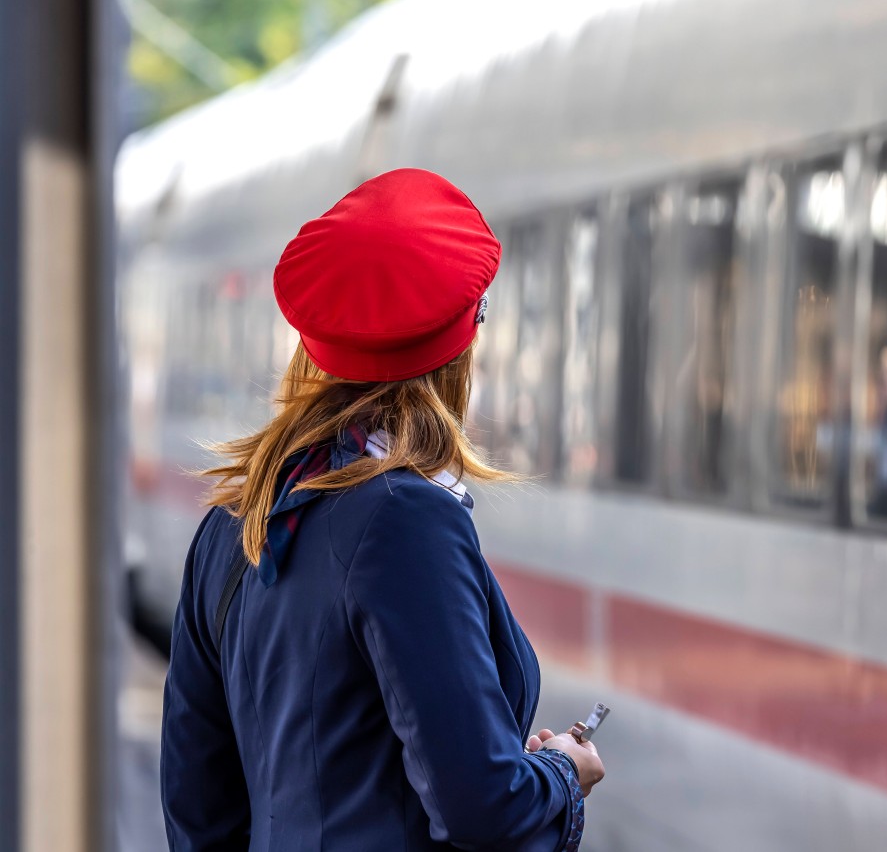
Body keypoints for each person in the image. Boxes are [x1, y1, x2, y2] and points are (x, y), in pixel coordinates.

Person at [161, 168, 604, 851]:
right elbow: (481, 808)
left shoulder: (234, 519)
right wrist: (559, 773)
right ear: (461, 347)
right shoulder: (407, 522)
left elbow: (196, 809)